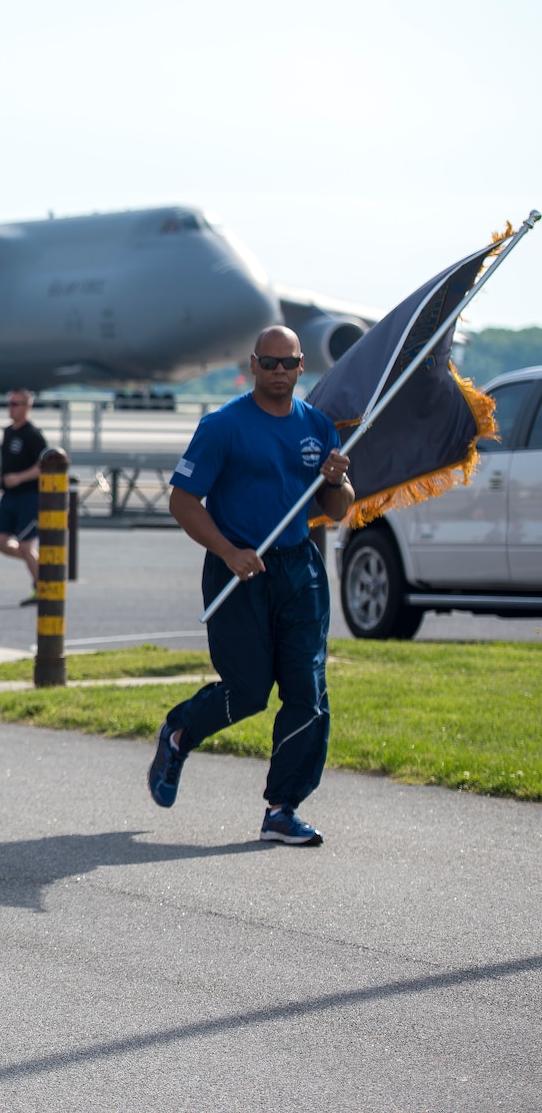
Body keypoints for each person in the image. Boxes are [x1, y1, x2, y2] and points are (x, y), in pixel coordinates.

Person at [150, 327, 353, 847]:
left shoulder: (318, 427)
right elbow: (183, 502)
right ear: (254, 365)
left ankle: (282, 809)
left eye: (288, 363)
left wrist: (335, 481)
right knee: (246, 692)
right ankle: (178, 734)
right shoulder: (223, 426)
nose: (279, 372)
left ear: (302, 366)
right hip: (237, 569)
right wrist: (227, 551)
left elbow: (335, 509)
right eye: (270, 363)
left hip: (298, 569)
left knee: (307, 692)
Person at [0, 389, 47, 606]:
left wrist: (20, 478)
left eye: (16, 404)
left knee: (25, 544)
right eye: (10, 404)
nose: (11, 408)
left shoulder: (33, 435)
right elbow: (7, 463)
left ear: (27, 407)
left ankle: (42, 587)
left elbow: (44, 465)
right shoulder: (9, 433)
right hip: (9, 495)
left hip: (29, 496)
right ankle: (42, 567)